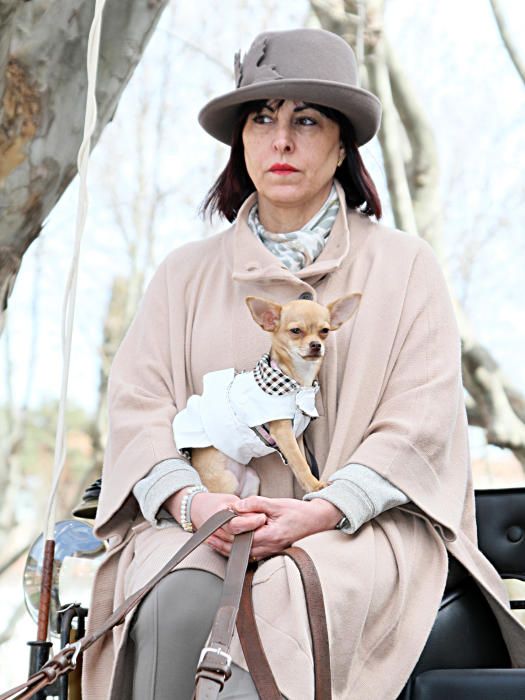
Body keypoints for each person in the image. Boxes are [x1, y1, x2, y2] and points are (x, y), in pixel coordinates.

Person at [82, 28, 525, 700]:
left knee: (283, 600)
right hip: (200, 519)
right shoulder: (180, 276)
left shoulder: (406, 269)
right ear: (242, 141)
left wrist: (322, 509)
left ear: (343, 143)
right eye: (262, 119)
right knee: (175, 603)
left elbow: (418, 425)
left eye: (305, 120)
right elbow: (139, 412)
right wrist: (192, 500)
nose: (280, 141)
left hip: (358, 529)